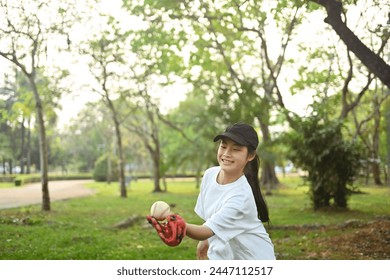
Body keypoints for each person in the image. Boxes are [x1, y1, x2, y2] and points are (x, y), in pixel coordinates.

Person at [147, 122, 275, 260]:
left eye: (236, 149)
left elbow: (206, 231)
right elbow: (211, 221)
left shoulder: (241, 197)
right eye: (223, 146)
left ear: (250, 156)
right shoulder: (210, 175)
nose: (226, 154)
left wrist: (180, 225)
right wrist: (202, 247)